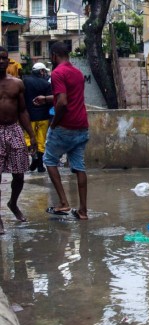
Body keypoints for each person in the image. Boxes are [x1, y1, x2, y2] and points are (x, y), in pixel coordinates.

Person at [41, 41, 90, 220]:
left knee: (49, 159)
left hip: (65, 126)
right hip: (82, 125)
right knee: (79, 167)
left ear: (54, 56)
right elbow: (67, 97)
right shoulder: (77, 73)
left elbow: (62, 102)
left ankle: (63, 202)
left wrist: (54, 123)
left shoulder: (57, 73)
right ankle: (83, 210)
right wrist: (47, 99)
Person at [0, 46, 37, 234]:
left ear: (8, 61)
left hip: (14, 129)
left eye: (4, 58)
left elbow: (22, 110)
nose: (1, 61)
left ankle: (13, 203)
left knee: (20, 174)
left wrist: (31, 135)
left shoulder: (17, 83)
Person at [23, 62, 52, 173]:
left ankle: (34, 158)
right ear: (41, 71)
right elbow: (49, 102)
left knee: (28, 138)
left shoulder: (25, 81)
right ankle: (39, 165)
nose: (45, 73)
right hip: (44, 116)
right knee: (41, 140)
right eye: (44, 71)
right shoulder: (46, 84)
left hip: (29, 117)